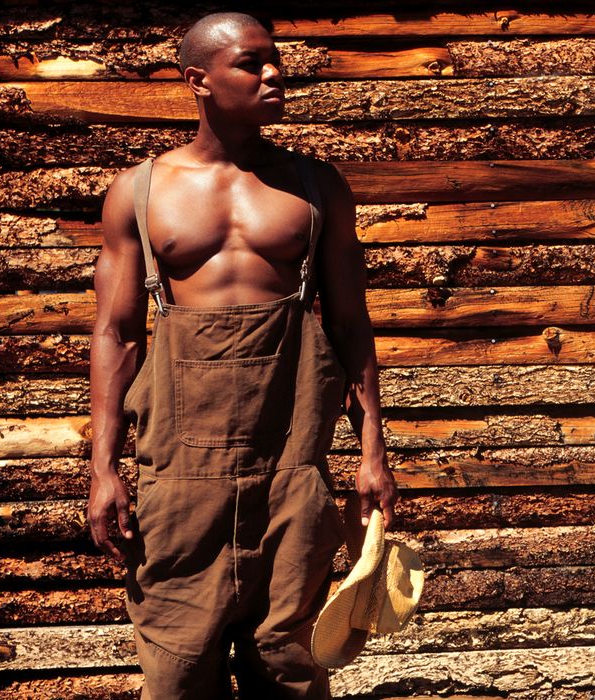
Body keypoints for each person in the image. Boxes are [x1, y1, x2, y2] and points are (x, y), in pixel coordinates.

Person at [87, 11, 399, 699]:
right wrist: (104, 467)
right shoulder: (140, 193)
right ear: (197, 80)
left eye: (274, 59)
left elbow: (351, 325)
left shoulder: (316, 190)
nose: (273, 73)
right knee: (178, 671)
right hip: (177, 475)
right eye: (251, 63)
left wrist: (372, 453)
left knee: (290, 667)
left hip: (291, 471)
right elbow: (115, 334)